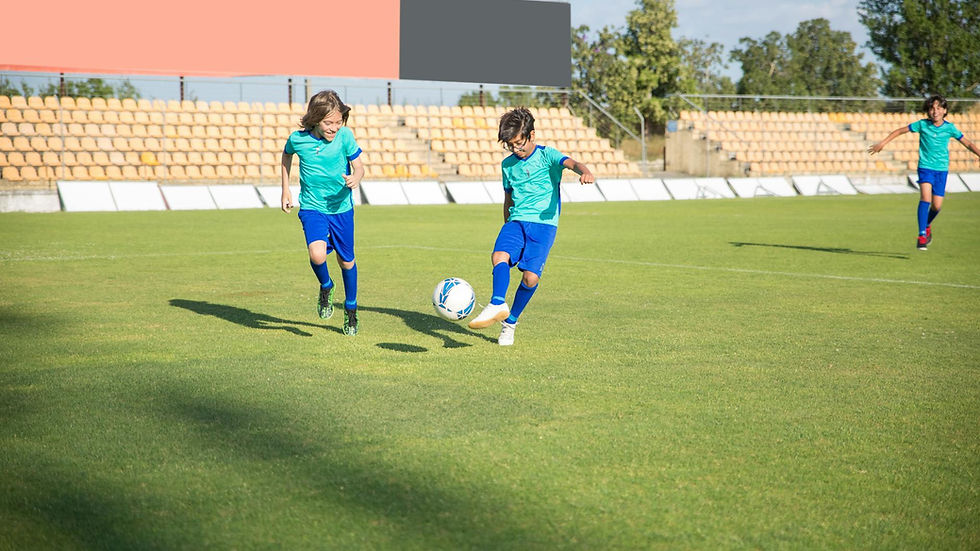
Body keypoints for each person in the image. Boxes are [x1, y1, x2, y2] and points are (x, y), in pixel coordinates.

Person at [467, 107, 595, 346]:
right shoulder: (507, 165)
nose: (515, 149)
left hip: (544, 226)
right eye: (510, 145)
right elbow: (508, 197)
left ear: (531, 135)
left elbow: (572, 163)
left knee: (531, 279)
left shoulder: (548, 155)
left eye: (518, 143)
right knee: (499, 255)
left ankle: (510, 323)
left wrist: (585, 171)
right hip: (516, 221)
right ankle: (497, 303)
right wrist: (506, 223)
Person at [281, 90, 364, 335]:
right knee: (317, 255)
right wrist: (286, 190)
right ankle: (326, 287)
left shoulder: (345, 137)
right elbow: (286, 156)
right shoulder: (298, 139)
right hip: (312, 207)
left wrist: (355, 178)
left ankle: (350, 310)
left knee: (346, 261)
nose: (334, 128)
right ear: (315, 119)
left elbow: (359, 166)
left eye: (338, 122)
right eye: (329, 123)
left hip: (341, 209)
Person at [869, 94, 980, 250]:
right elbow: (900, 131)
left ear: (945, 110)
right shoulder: (922, 124)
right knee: (925, 198)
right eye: (932, 108)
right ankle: (921, 235)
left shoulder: (950, 128)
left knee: (937, 206)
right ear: (928, 110)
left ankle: (927, 225)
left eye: (939, 108)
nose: (935, 111)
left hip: (941, 170)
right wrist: (883, 143)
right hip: (925, 167)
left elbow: (967, 142)